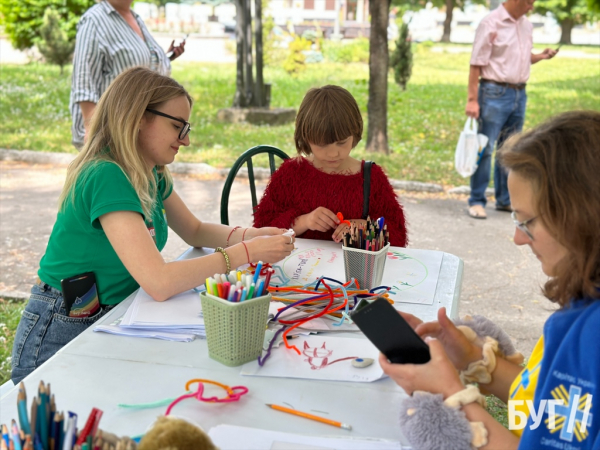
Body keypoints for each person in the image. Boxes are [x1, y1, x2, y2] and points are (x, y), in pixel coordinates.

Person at [11, 67, 295, 384]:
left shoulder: (150, 171)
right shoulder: (107, 174)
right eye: (177, 126)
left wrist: (252, 235)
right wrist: (246, 252)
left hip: (109, 313)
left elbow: (194, 230)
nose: (185, 140)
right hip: (63, 325)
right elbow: (158, 283)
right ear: (138, 117)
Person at [380, 111, 600, 449]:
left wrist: (452, 396)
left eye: (527, 221)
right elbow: (552, 412)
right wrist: (470, 359)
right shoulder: (583, 313)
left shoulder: (589, 334)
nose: (518, 238)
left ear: (580, 217)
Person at [253, 85, 408, 247]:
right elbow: (261, 231)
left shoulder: (371, 178)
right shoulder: (291, 174)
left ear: (354, 133)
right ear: (305, 137)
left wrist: (364, 228)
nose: (333, 154)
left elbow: (398, 235)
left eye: (342, 143)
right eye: (322, 145)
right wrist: (304, 221)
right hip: (299, 269)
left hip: (354, 270)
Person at [465, 0, 558, 219]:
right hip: (493, 93)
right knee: (485, 148)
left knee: (510, 149)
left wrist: (541, 56)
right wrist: (472, 100)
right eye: (528, 2)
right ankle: (477, 200)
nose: (531, 7)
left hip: (519, 94)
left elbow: (523, 58)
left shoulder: (526, 25)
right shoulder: (491, 23)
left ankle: (505, 200)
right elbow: (476, 64)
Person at [70, 0, 186, 149]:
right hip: (112, 134)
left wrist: (165, 57)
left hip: (140, 131)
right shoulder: (94, 20)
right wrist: (90, 128)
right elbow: (83, 78)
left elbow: (139, 65)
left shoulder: (135, 17)